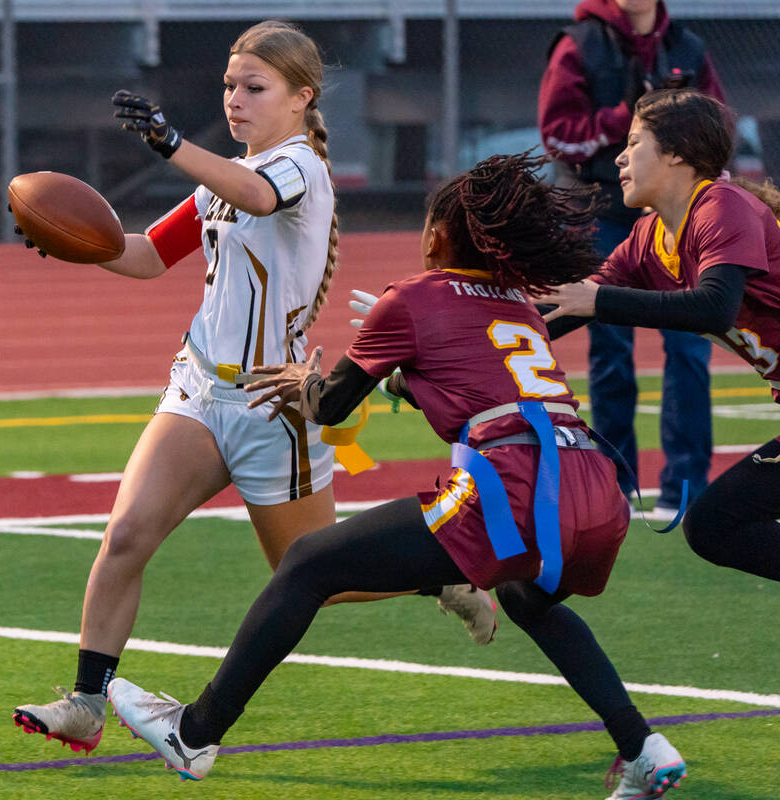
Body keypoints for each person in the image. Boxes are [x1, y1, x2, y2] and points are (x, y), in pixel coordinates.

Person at [108, 152, 687, 800]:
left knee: (306, 565)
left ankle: (195, 731)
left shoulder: (413, 296)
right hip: (593, 486)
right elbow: (483, 388)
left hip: (514, 485)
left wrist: (308, 380)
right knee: (530, 601)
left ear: (439, 235)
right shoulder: (517, 305)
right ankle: (642, 745)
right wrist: (406, 378)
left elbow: (330, 407)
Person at [11, 20, 495, 757]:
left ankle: (442, 577)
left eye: (254, 88)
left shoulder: (298, 167)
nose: (236, 99)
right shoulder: (224, 179)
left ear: (301, 98)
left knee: (318, 576)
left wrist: (173, 145)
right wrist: (80, 246)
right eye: (230, 86)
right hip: (201, 390)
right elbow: (144, 258)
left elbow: (262, 197)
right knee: (125, 535)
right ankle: (85, 702)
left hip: (277, 408)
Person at [542, 88, 780, 589]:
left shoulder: (721, 205)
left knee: (713, 524)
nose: (619, 156)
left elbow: (713, 305)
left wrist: (600, 302)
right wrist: (440, 338)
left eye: (635, 141)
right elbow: (558, 311)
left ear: (678, 152)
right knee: (715, 526)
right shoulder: (648, 238)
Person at [538, 0, 726, 518]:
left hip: (679, 213)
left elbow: (718, 130)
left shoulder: (687, 47)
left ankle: (686, 488)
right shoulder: (577, 45)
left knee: (691, 347)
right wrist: (625, 118)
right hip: (600, 209)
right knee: (609, 349)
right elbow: (556, 136)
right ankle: (614, 488)